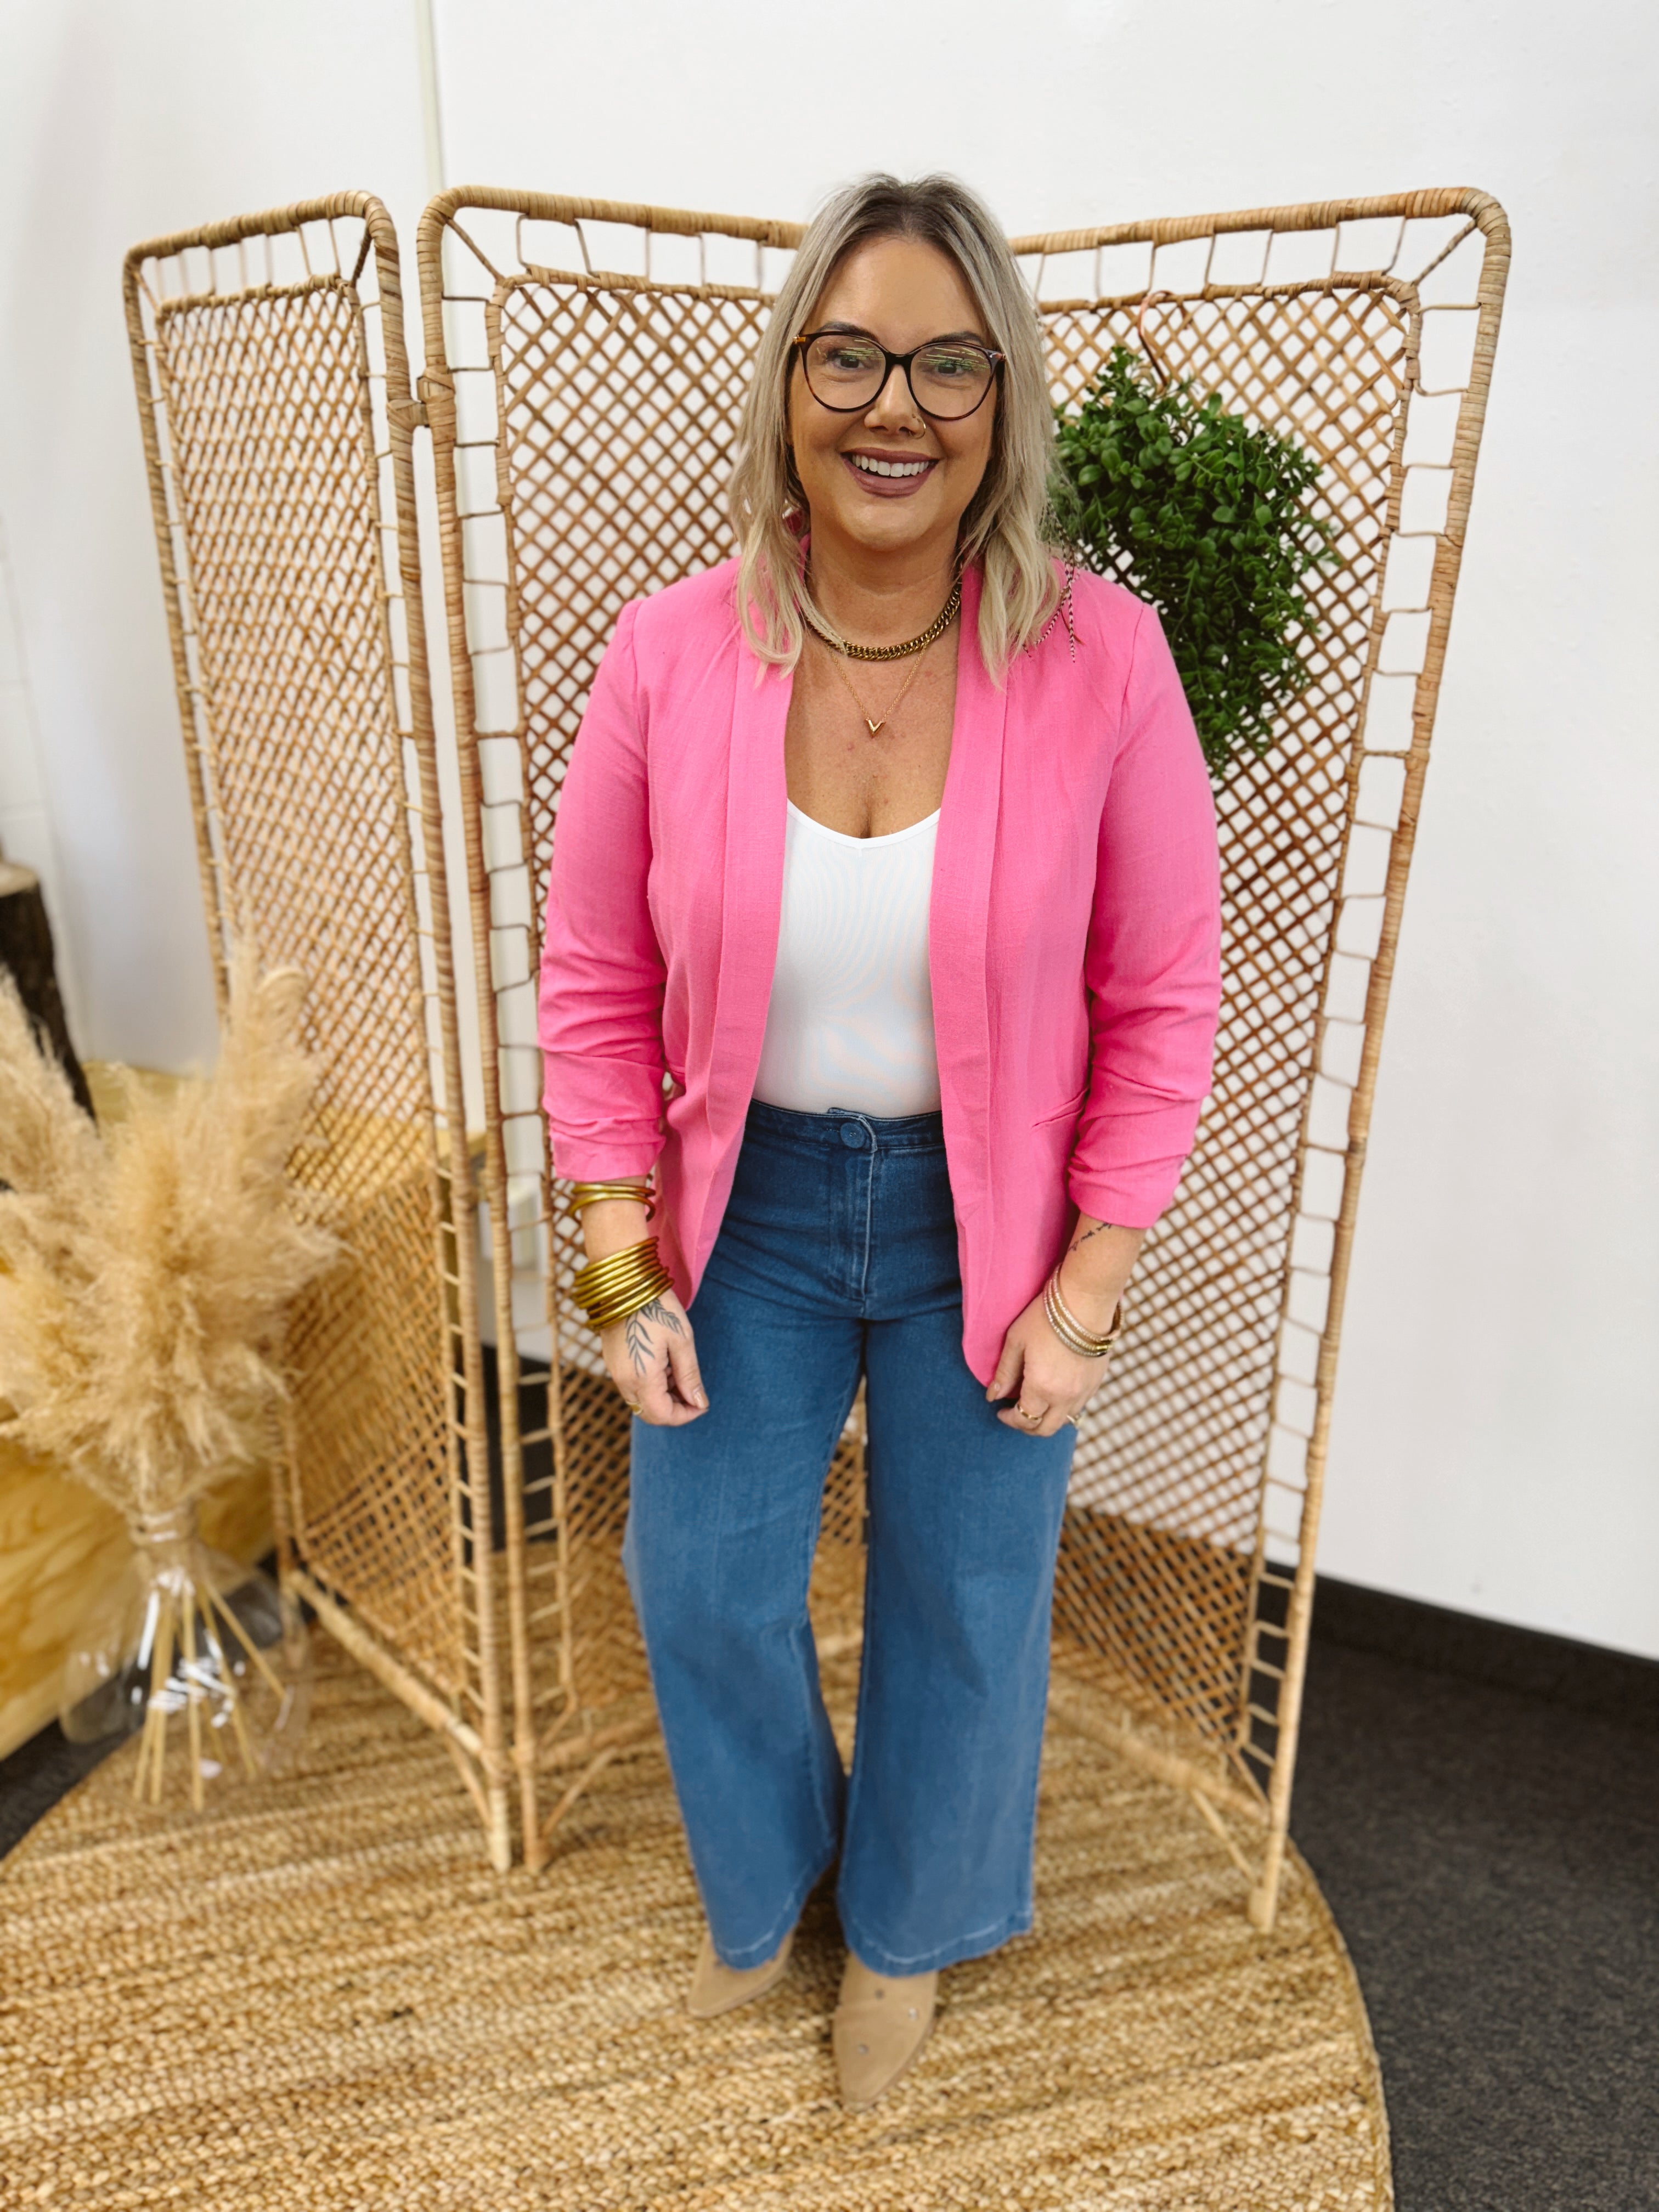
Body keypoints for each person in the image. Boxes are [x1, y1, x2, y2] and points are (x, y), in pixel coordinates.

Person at [537, 171, 1221, 2109]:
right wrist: (614, 1258)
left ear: (1001, 401)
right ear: (788, 385)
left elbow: (1167, 995)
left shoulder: (1104, 661)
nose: (893, 405)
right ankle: (780, 1880)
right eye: (850, 354)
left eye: (943, 362)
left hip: (982, 1221)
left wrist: (1090, 1284)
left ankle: (909, 1931)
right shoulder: (670, 654)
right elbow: (592, 976)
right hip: (740, 1205)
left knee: (968, 1593)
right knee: (701, 1582)